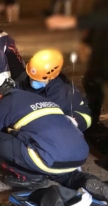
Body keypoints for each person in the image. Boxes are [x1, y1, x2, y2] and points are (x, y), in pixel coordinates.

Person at [0, 74, 108, 200]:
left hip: (48, 155)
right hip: (78, 155)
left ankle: (31, 177)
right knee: (63, 173)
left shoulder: (5, 102)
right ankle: (86, 180)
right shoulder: (36, 97)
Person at [46, 1, 108, 132]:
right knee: (92, 81)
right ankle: (92, 123)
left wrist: (73, 21)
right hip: (102, 50)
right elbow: (98, 15)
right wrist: (86, 41)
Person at [16, 49, 91, 132]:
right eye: (31, 77)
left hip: (75, 117)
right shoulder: (24, 77)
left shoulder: (59, 92)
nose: (33, 81)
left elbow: (45, 118)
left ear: (52, 76)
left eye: (39, 79)